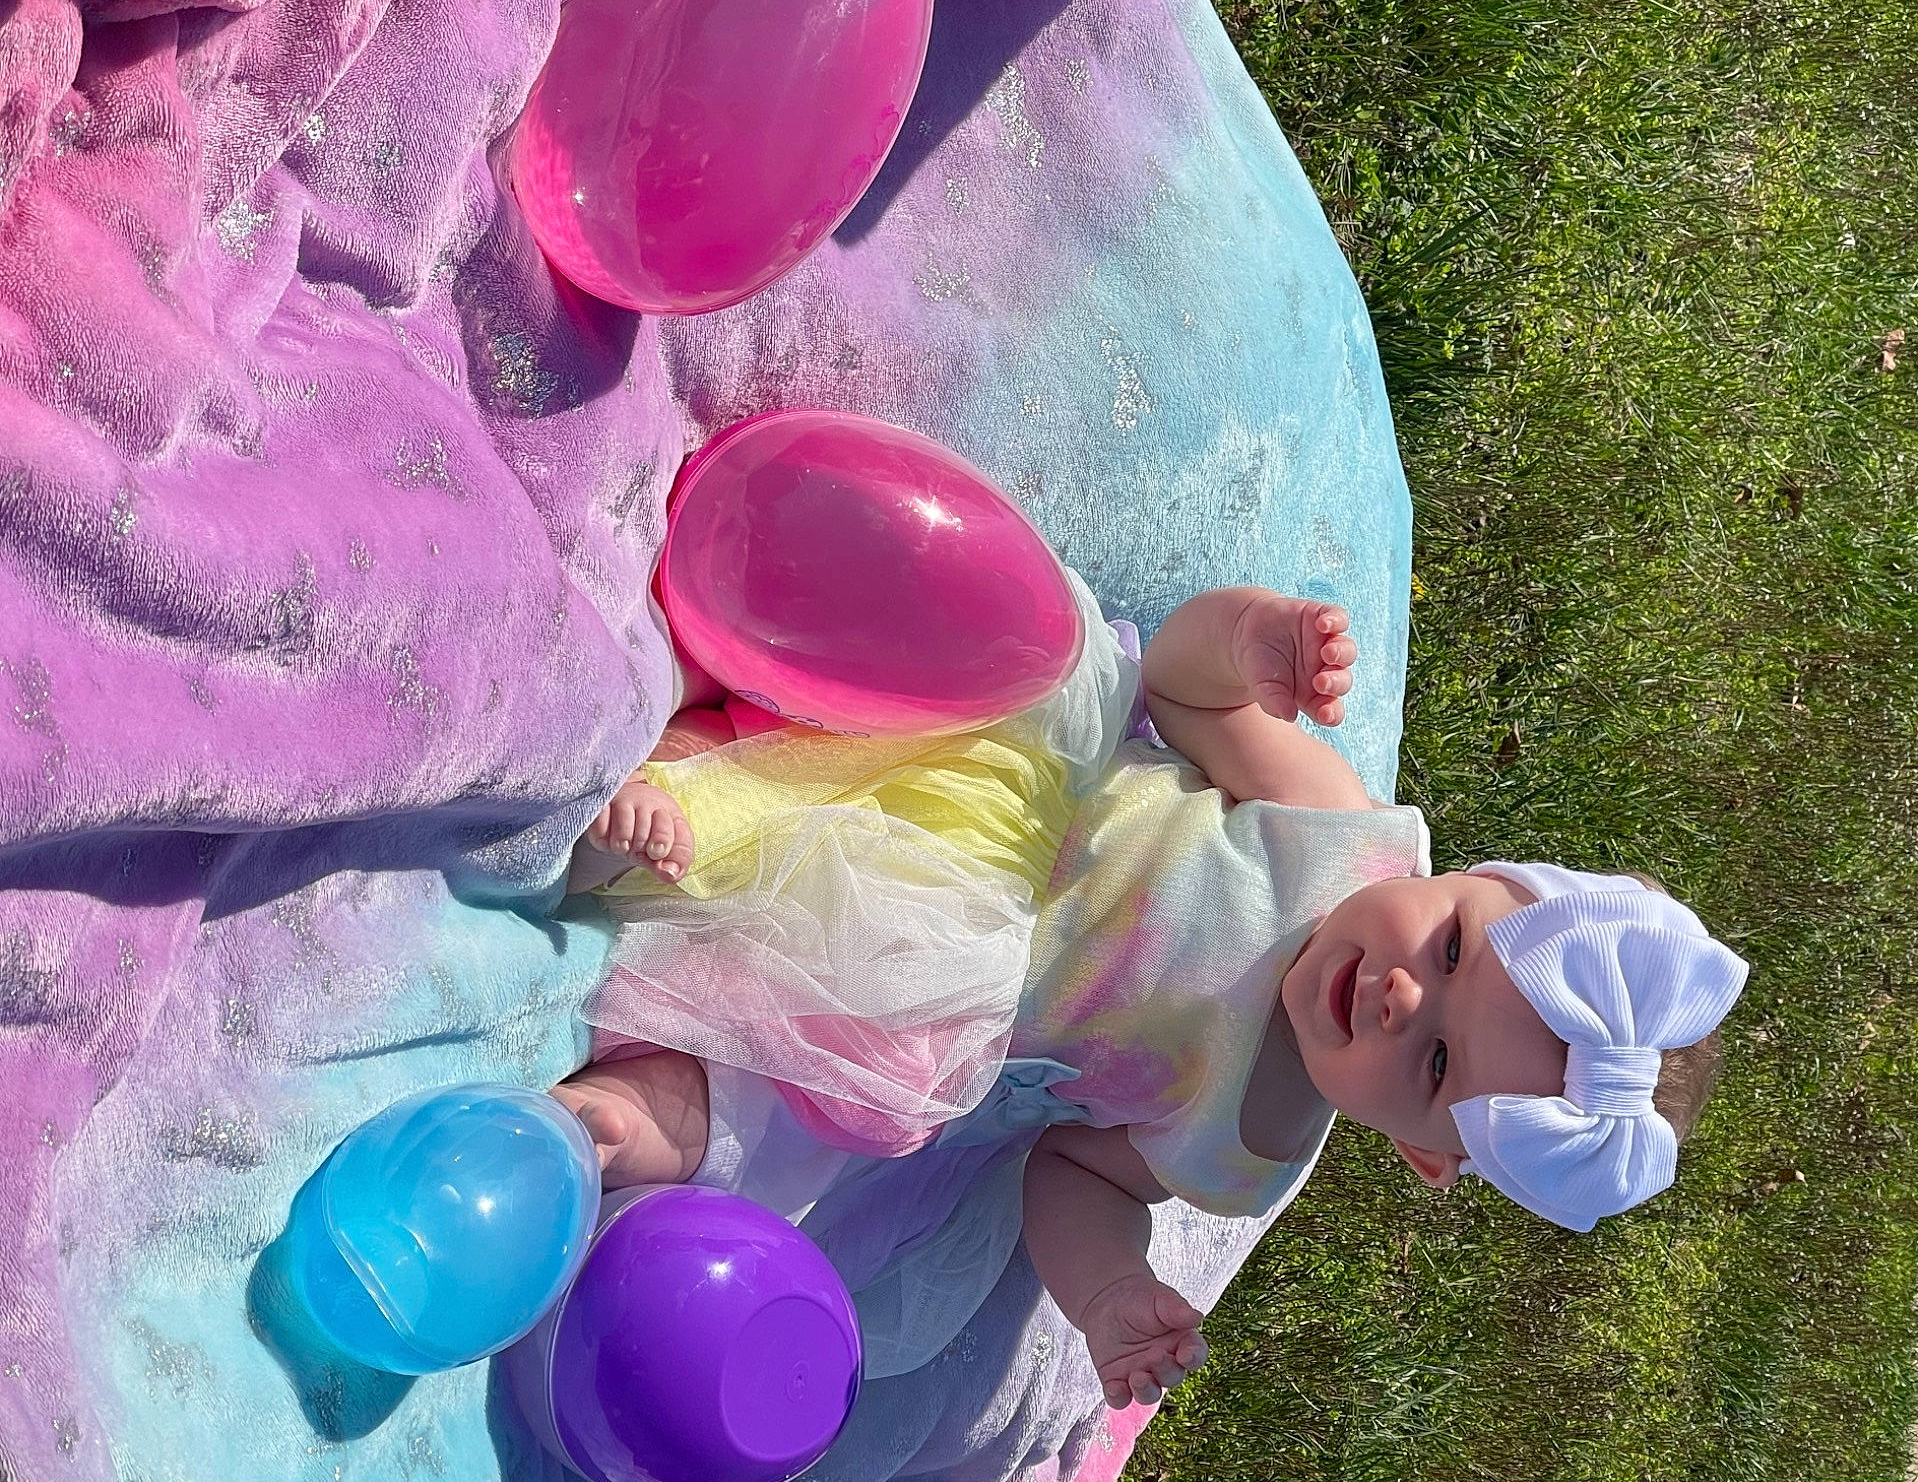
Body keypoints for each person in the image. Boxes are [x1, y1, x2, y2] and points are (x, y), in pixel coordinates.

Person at [555, 574, 1747, 1403]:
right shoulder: (1347, 838)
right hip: (1006, 806)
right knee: (908, 693)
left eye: (1433, 1063)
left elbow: (1068, 1168)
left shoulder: (1245, 1147)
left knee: (812, 1123)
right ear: (1474, 877)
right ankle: (670, 792)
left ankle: (645, 1111)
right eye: (1447, 953)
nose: (1396, 1000)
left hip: (929, 1001)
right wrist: (1251, 639)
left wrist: (1110, 1288)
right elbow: (1184, 696)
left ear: (1423, 1154)